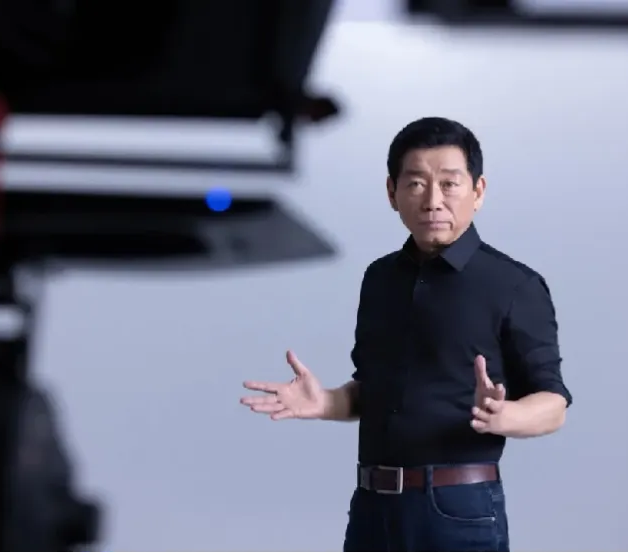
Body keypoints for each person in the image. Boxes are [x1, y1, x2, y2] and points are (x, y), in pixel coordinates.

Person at [240, 117, 573, 552]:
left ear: (478, 191)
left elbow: (554, 404)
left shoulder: (515, 285)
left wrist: (504, 416)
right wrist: (326, 403)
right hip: (372, 507)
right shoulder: (379, 278)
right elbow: (373, 391)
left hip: (458, 507)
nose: (433, 201)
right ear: (392, 192)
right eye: (416, 184)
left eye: (449, 184)